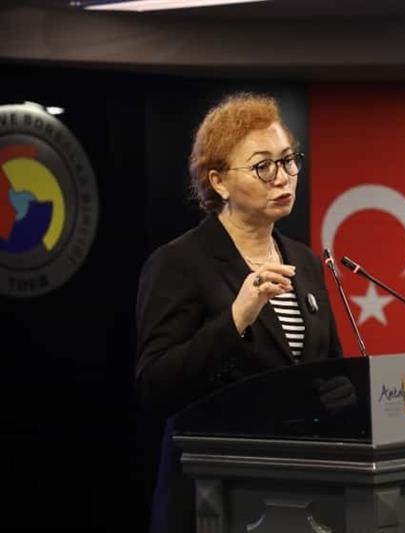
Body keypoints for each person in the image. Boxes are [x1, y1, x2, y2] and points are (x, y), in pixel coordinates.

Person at [135, 93, 345, 533]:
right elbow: (155, 386)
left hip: (301, 495)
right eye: (262, 166)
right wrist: (236, 319)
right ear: (219, 182)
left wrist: (344, 394)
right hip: (214, 497)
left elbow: (326, 370)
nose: (283, 177)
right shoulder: (179, 263)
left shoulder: (305, 262)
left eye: (288, 161)